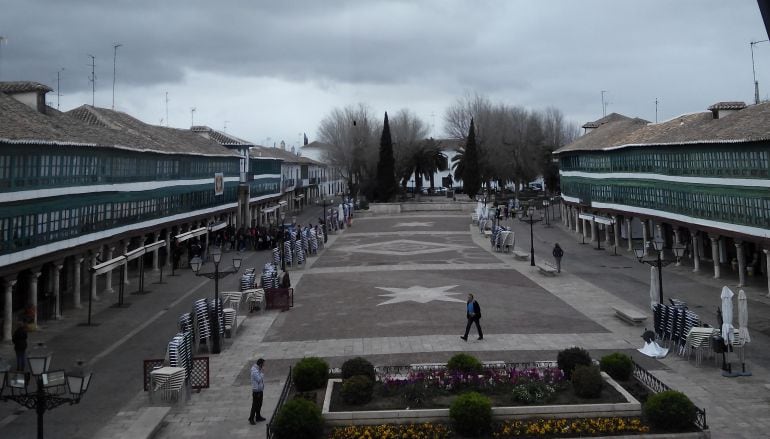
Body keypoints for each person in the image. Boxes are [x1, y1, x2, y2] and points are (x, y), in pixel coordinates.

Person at [248, 358, 266, 424]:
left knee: (259, 404)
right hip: (256, 391)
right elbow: (258, 379)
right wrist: (262, 372)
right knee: (255, 405)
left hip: (260, 390)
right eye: (263, 364)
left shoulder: (258, 369)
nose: (264, 366)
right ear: (260, 364)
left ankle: (258, 417)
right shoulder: (254, 371)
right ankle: (251, 418)